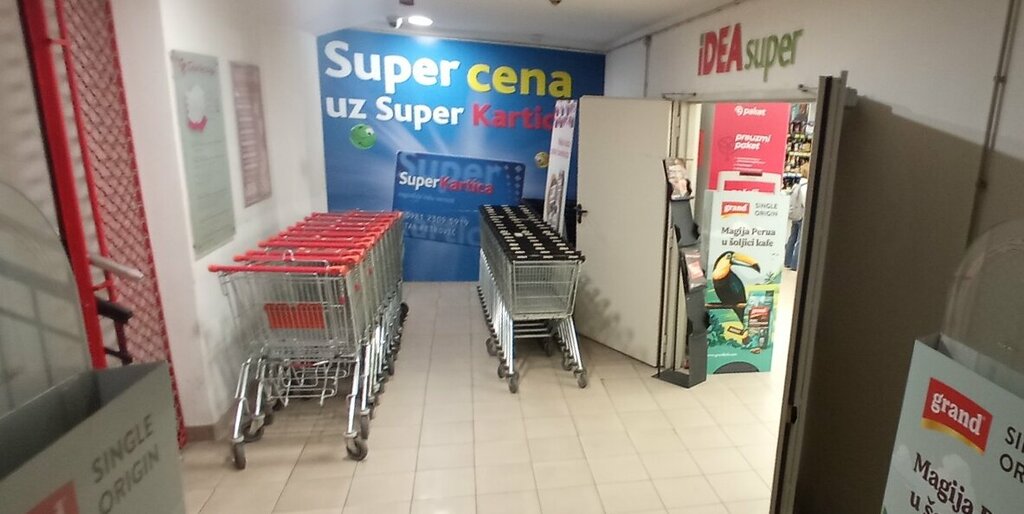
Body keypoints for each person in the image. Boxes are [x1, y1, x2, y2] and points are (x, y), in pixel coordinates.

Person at [785, 175, 807, 270]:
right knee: (800, 240)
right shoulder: (806, 186)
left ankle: (787, 261)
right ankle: (795, 264)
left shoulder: (796, 186)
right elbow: (805, 203)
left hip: (795, 215)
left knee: (792, 238)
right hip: (802, 215)